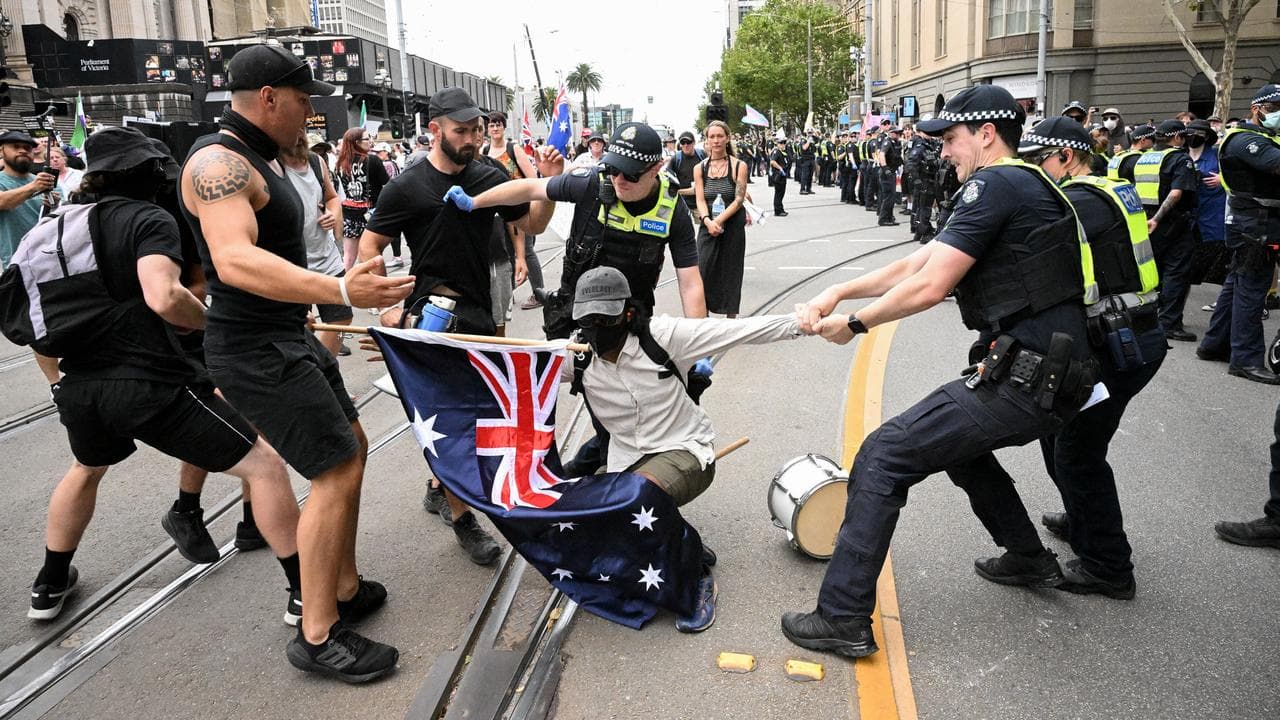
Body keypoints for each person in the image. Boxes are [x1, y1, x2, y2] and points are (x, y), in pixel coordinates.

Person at [781, 85, 1098, 659]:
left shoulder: (996, 181)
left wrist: (853, 324)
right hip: (1044, 374)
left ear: (986, 134)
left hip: (1028, 378)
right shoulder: (1017, 184)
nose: (944, 151)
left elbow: (930, 286)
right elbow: (918, 259)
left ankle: (842, 617)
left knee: (883, 454)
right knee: (960, 448)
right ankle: (1027, 557)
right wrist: (839, 288)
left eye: (951, 138)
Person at [179, 44, 414, 683]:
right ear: (270, 98)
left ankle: (340, 586)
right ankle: (316, 633)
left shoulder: (265, 157)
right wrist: (341, 291)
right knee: (333, 467)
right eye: (306, 102)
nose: (311, 115)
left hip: (288, 336)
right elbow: (233, 261)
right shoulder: (218, 162)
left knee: (353, 444)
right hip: (255, 350)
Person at [23, 128, 304, 638]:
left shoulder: (54, 227)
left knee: (86, 469)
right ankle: (306, 592)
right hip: (148, 383)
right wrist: (214, 323)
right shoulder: (147, 217)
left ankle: (49, 583)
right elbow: (164, 296)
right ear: (147, 172)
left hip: (83, 387)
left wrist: (58, 383)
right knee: (264, 465)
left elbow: (34, 323)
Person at [357, 87, 559, 564]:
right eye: (461, 131)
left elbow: (534, 225)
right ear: (435, 129)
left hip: (481, 318)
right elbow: (369, 248)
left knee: (484, 415)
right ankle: (464, 520)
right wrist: (383, 306)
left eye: (475, 130)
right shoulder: (406, 187)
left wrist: (548, 184)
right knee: (452, 424)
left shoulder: (488, 176)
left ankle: (455, 490)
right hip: (429, 323)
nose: (470, 139)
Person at [444, 121, 707, 479]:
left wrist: (697, 346)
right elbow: (531, 187)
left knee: (622, 413)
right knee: (549, 401)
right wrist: (474, 202)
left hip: (626, 325)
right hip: (572, 319)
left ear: (656, 168)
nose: (618, 179)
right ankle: (553, 478)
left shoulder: (671, 209)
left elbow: (689, 283)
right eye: (613, 168)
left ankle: (580, 479)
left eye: (630, 174)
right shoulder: (590, 184)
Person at [564, 266, 811, 631]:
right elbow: (509, 370)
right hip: (624, 461)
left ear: (628, 314)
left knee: (639, 497)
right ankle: (680, 540)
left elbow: (737, 331)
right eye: (588, 320)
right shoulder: (576, 356)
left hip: (685, 451)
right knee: (584, 515)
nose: (596, 328)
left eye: (605, 318)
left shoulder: (662, 337)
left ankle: (695, 580)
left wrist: (804, 323)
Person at [1015, 117, 1166, 599]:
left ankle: (1108, 566)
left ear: (1066, 156)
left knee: (1077, 453)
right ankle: (1083, 519)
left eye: (1038, 163)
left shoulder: (1079, 200)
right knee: (1057, 432)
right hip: (1127, 335)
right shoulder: (1107, 187)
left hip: (1120, 344)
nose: (1034, 173)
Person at [1197, 84, 1280, 384]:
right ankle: (1245, 359)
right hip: (1254, 226)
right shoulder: (1246, 139)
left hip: (1255, 224)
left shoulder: (1264, 138)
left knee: (1237, 283)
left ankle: (1214, 344)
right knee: (1252, 289)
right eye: (1275, 107)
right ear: (1258, 109)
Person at [279, 131, 352, 358]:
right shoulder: (270, 164)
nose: (298, 135)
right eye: (294, 131)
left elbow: (332, 197)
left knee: (341, 319)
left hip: (326, 257)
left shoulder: (315, 161)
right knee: (300, 326)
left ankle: (325, 369)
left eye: (302, 131)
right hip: (291, 265)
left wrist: (332, 211)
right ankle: (314, 374)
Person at [1136, 120, 1200, 341]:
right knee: (1177, 272)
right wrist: (1157, 218)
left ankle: (1147, 318)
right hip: (1171, 222)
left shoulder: (1144, 159)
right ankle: (1169, 323)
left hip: (1145, 222)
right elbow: (1176, 193)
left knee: (1153, 273)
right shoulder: (1180, 159)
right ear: (1177, 137)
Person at [483, 111, 546, 310]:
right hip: (495, 211)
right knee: (505, 253)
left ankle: (539, 293)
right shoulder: (484, 152)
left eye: (498, 125)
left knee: (526, 251)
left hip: (518, 208)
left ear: (504, 127)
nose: (494, 129)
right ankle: (507, 294)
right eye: (491, 125)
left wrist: (531, 205)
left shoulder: (513, 149)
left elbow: (532, 179)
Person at [693, 120, 750, 318]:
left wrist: (719, 221)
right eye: (712, 137)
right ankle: (704, 317)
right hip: (707, 225)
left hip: (732, 224)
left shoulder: (739, 166)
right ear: (706, 140)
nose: (716, 141)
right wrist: (708, 221)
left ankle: (730, 319)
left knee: (731, 271)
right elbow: (700, 198)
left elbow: (738, 199)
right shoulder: (700, 168)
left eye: (720, 136)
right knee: (703, 268)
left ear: (727, 138)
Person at [334, 127, 391, 270]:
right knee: (372, 255)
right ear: (357, 142)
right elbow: (387, 184)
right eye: (367, 138)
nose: (370, 141)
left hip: (349, 214)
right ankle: (372, 285)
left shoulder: (340, 163)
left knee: (348, 257)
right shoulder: (372, 160)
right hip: (371, 214)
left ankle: (344, 286)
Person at [666, 131, 705, 212]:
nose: (686, 145)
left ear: (694, 143)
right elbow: (668, 177)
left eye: (688, 142)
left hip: (701, 205)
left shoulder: (702, 155)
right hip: (682, 204)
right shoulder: (676, 158)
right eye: (683, 143)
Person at [877, 127, 903, 227]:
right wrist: (885, 168)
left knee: (891, 196)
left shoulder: (895, 143)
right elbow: (881, 154)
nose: (898, 135)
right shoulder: (887, 142)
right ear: (891, 133)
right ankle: (883, 219)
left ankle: (889, 217)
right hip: (887, 173)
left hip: (892, 171)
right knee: (888, 197)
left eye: (899, 133)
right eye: (896, 133)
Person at [769, 133, 791, 217]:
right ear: (777, 144)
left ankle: (780, 209)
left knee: (781, 193)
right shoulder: (776, 151)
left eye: (784, 143)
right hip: (778, 175)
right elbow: (772, 162)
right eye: (781, 143)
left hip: (782, 175)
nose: (783, 145)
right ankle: (777, 211)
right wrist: (780, 168)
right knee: (778, 193)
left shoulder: (782, 151)